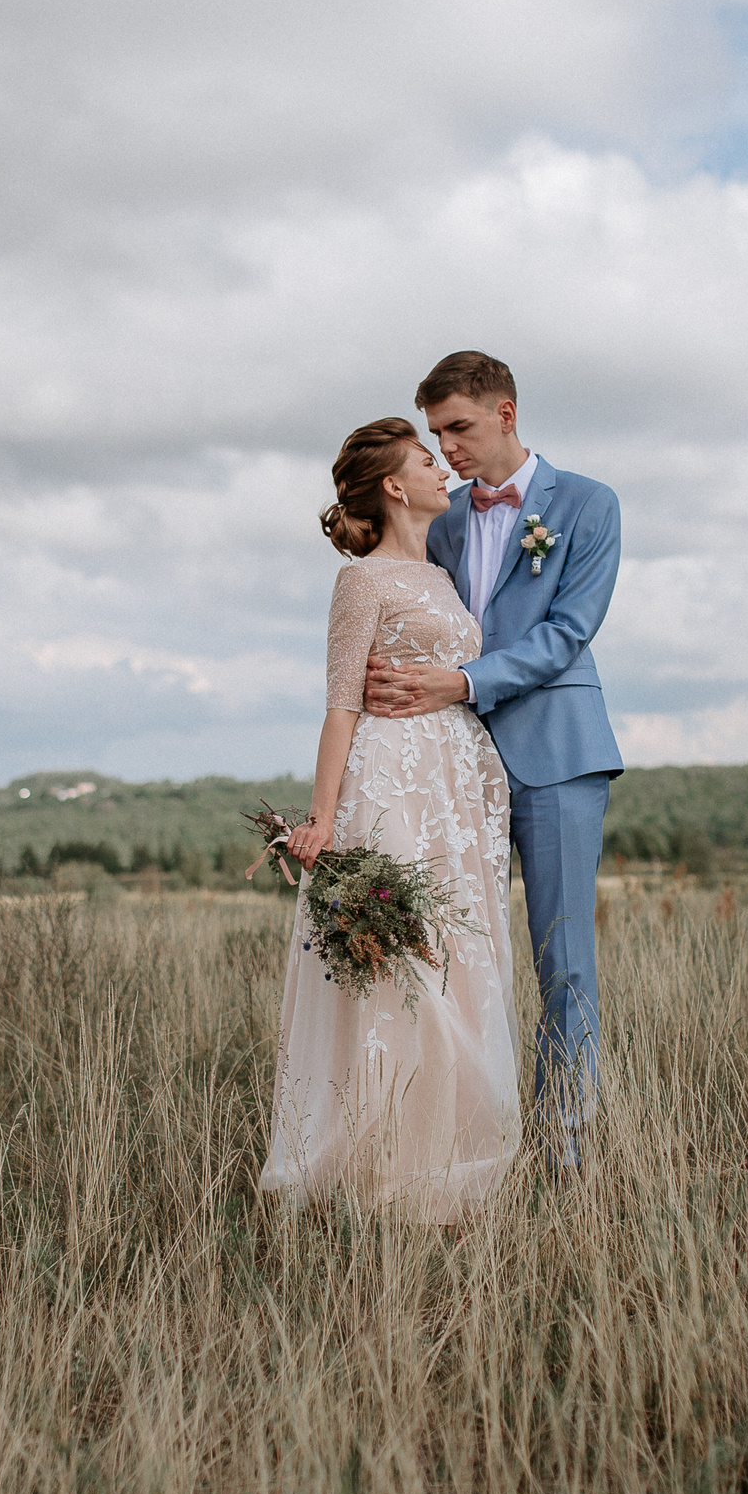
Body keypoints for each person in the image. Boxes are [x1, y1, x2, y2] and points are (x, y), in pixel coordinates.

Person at [259, 417, 522, 1223]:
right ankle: (381, 1170)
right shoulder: (362, 583)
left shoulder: (443, 577)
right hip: (392, 785)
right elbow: (340, 706)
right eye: (425, 459)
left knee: (462, 963)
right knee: (405, 970)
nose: (445, 468)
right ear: (395, 487)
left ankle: (445, 1158)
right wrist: (322, 819)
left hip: (455, 794)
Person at [365, 352, 621, 1171]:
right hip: (450, 769)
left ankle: (566, 1152)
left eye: (460, 428)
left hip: (556, 755)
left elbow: (566, 633)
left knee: (562, 959)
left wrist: (461, 682)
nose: (448, 447)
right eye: (437, 433)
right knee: (458, 955)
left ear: (506, 413)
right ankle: (466, 1143)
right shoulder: (439, 520)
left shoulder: (588, 504)